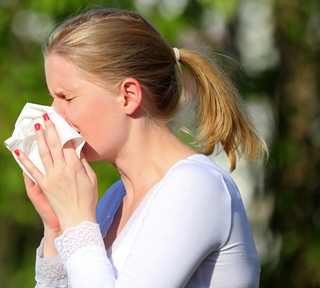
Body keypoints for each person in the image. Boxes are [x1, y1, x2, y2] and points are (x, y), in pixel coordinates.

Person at [13, 7, 267, 288]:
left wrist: (76, 221)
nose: (53, 113)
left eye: (67, 98)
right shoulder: (115, 199)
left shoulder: (195, 186)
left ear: (128, 96)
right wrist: (58, 227)